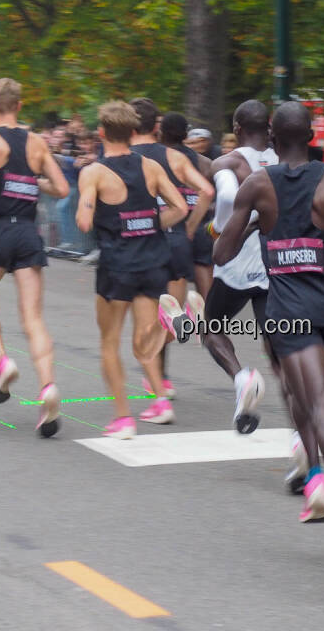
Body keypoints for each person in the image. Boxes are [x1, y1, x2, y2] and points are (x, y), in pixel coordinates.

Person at [214, 101, 324, 577]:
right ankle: (313, 480)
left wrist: (252, 226)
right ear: (311, 136)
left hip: (290, 313)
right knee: (304, 393)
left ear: (272, 136)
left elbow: (220, 250)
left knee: (319, 407)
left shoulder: (258, 184)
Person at [77, 101, 195, 437]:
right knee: (144, 340)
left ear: (101, 132)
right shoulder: (150, 167)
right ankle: (161, 401)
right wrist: (153, 224)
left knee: (109, 342)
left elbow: (84, 222)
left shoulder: (94, 172)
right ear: (132, 132)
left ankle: (123, 418)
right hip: (152, 264)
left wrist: (91, 210)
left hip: (117, 267)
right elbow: (181, 206)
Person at [0, 78, 69, 437]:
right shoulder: (37, 142)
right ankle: (48, 388)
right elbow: (62, 188)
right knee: (34, 318)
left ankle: (3, 362)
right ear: (20, 105)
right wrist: (34, 183)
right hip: (28, 234)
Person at [202, 100, 280, 436]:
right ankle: (302, 428)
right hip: (276, 261)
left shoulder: (229, 161)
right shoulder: (285, 159)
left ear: (236, 128)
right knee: (276, 342)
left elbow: (224, 196)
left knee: (211, 329)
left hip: (236, 259)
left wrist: (220, 229)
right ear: (269, 127)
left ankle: (241, 378)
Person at [130, 99, 213, 403]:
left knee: (142, 325)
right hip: (177, 240)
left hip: (140, 244)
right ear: (156, 126)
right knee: (167, 317)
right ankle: (160, 375)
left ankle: (157, 380)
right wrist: (190, 226)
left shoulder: (122, 158)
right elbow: (207, 191)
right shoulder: (174, 157)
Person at [160, 111, 216, 298]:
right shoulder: (205, 162)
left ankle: (172, 325)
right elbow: (211, 194)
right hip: (199, 222)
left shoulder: (159, 159)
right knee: (203, 273)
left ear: (161, 132)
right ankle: (211, 324)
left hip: (173, 226)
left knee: (174, 287)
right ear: (186, 135)